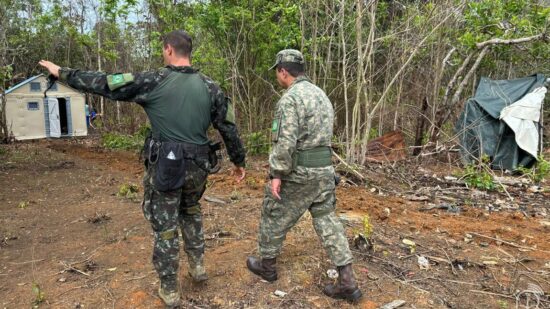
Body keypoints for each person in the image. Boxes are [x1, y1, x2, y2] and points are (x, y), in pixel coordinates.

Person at [39, 30, 246, 307]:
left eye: (164, 50)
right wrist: (239, 161)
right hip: (199, 165)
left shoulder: (154, 80)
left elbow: (103, 83)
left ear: (169, 50)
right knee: (192, 210)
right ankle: (198, 268)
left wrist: (62, 72)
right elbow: (228, 128)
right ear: (189, 52)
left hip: (167, 166)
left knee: (166, 227)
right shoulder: (211, 87)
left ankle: (170, 290)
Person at [246, 49, 362, 302]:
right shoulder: (321, 95)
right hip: (324, 171)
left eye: (277, 72)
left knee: (274, 211)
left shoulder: (290, 99)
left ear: (283, 71)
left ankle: (267, 266)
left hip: (301, 172)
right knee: (327, 220)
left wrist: (276, 173)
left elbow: (285, 142)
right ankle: (347, 280)